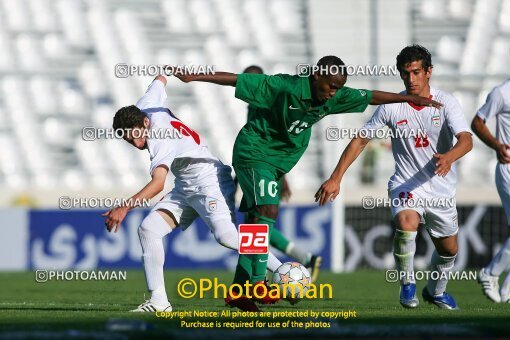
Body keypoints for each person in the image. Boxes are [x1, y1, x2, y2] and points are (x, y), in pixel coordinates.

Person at [173, 55, 442, 311]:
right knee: (267, 212)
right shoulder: (283, 86)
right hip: (254, 154)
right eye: (330, 87)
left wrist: (406, 98)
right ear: (316, 76)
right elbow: (235, 79)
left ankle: (239, 292)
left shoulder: (334, 94)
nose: (333, 93)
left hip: (279, 163)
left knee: (257, 222)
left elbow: (371, 97)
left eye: (338, 89)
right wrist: (194, 76)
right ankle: (257, 285)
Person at [103, 75, 282, 312]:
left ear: (145, 124)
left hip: (209, 180)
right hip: (186, 184)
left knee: (227, 237)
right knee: (149, 229)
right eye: (128, 140)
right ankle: (159, 302)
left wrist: (125, 206)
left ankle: (282, 270)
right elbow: (159, 80)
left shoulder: (159, 138)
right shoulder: (144, 106)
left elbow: (157, 184)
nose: (135, 144)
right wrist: (165, 74)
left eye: (135, 136)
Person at [315, 45, 472, 310]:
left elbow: (466, 140)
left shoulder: (447, 102)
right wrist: (336, 177)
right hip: (405, 184)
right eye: (405, 74)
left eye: (416, 72)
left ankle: (436, 290)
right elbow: (360, 140)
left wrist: (449, 156)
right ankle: (407, 283)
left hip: (441, 189)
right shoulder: (392, 107)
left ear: (428, 72)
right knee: (406, 221)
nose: (411, 79)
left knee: (449, 250)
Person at [242, 65, 322, 282]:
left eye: (253, 81)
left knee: (256, 223)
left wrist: (281, 176)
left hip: (268, 170)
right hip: (258, 168)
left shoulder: (267, 101)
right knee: (253, 223)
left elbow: (275, 141)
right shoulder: (253, 105)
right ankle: (302, 260)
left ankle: (260, 280)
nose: (249, 86)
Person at [472, 78, 510, 303]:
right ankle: (490, 273)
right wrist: (497, 145)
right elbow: (477, 122)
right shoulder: (502, 93)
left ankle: (506, 292)